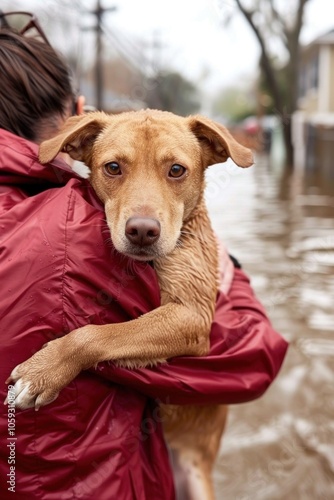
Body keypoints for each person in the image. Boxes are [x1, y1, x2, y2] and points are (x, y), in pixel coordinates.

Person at [0, 12, 288, 500]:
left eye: (176, 171)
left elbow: (192, 327)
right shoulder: (69, 238)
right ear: (79, 135)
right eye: (114, 170)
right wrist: (233, 278)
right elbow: (248, 352)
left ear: (205, 162)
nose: (143, 216)